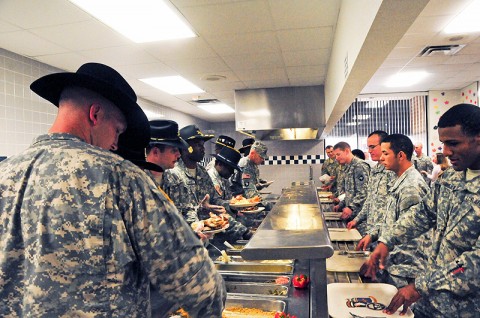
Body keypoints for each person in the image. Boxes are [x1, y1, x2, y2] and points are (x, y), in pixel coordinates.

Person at [0, 63, 225, 317]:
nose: (116, 143)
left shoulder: (5, 174)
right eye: (117, 130)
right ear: (95, 114)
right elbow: (199, 284)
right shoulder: (122, 178)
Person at [362, 104, 480, 317]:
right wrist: (387, 240)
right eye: (444, 143)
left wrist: (420, 285)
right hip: (431, 302)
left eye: (453, 143)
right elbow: (422, 213)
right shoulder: (451, 178)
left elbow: (477, 262)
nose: (445, 152)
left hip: (467, 308)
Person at [359, 134, 429, 288]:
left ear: (401, 155)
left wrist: (380, 257)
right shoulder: (400, 180)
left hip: (404, 271)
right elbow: (392, 220)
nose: (382, 158)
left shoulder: (411, 187)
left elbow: (412, 238)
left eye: (386, 153)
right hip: (393, 265)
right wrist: (374, 235)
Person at [163, 125, 252, 241]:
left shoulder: (202, 172)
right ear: (185, 147)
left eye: (203, 145)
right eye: (198, 145)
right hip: (187, 239)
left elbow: (215, 202)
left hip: (207, 237)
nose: (203, 149)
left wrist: (243, 230)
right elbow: (180, 213)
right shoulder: (172, 174)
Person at [347, 131, 396, 236]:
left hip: (386, 235)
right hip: (372, 231)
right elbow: (369, 200)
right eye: (368, 147)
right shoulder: (375, 170)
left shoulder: (393, 171)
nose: (369, 151)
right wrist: (357, 220)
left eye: (372, 147)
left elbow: (393, 211)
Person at [144, 119, 189, 188]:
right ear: (155, 152)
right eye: (174, 150)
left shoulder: (176, 180)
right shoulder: (135, 181)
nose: (179, 155)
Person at [332, 142, 370, 221]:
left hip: (360, 218)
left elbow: (363, 192)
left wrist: (351, 207)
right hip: (351, 215)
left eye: (338, 154)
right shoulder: (348, 166)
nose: (336, 158)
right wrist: (341, 204)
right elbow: (350, 193)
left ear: (346, 151)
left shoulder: (359, 166)